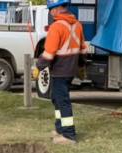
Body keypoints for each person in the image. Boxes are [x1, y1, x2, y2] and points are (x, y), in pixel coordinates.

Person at [33, 0, 86, 145]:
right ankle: (60, 128)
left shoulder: (56, 27)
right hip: (70, 69)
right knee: (57, 99)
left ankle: (69, 135)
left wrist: (38, 67)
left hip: (59, 70)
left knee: (62, 101)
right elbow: (83, 49)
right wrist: (81, 66)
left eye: (50, 9)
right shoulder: (78, 25)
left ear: (56, 9)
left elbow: (49, 53)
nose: (50, 12)